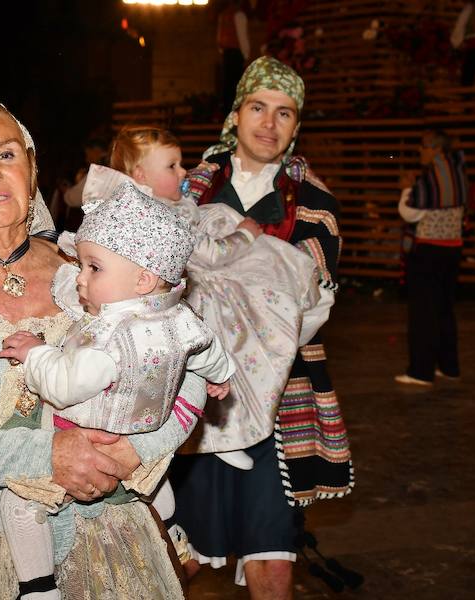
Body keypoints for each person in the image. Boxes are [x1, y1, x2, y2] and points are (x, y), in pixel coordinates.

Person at [0, 98, 203, 599]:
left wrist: (135, 451)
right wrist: (46, 454)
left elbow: (191, 361)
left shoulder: (93, 263)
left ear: (30, 169)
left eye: (7, 155)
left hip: (112, 528)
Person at [0, 181, 235, 599]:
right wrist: (221, 375)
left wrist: (35, 354)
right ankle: (170, 524)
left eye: (93, 268)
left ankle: (38, 588)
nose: (81, 278)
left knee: (19, 505)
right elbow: (208, 350)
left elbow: (65, 384)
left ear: (142, 280)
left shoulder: (109, 343)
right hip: (145, 439)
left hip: (89, 439)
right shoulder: (180, 318)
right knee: (151, 491)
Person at [170, 56, 353, 599]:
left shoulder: (316, 204)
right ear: (236, 114)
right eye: (258, 107)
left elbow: (311, 304)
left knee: (272, 553)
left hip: (278, 396)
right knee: (177, 550)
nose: (269, 124)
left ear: (297, 127)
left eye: (284, 113)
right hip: (196, 396)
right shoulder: (187, 191)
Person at [395, 131, 467, 387]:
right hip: (452, 249)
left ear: (436, 149)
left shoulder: (431, 178)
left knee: (423, 312)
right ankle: (449, 367)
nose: (420, 151)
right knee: (444, 309)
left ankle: (421, 372)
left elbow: (410, 213)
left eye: (424, 146)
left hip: (428, 251)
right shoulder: (457, 174)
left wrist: (405, 189)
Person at [218, 0, 252, 110]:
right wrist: (246, 55)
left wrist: (222, 51)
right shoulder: (239, 14)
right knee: (236, 85)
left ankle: (227, 111)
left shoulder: (223, 15)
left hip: (226, 53)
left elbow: (219, 38)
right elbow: (242, 36)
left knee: (227, 85)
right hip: (236, 53)